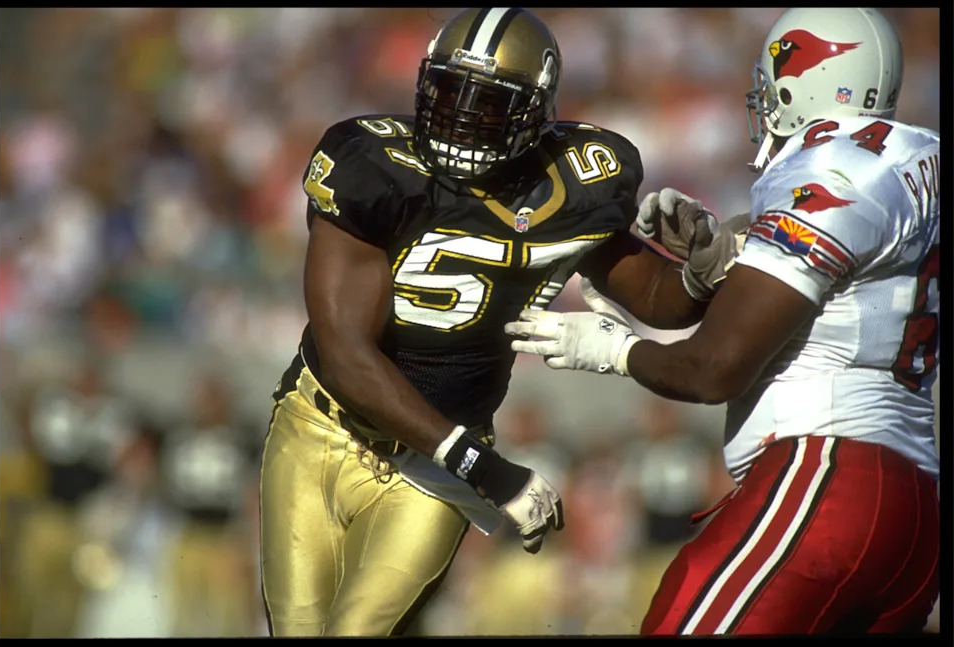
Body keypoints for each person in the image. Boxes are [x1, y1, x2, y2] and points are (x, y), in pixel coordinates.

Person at [259, 7, 744, 637]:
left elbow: (656, 299)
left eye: (486, 104)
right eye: (448, 93)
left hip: (435, 466)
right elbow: (347, 355)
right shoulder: (374, 166)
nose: (460, 116)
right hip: (323, 431)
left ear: (533, 113)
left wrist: (700, 273)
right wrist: (481, 468)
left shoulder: (574, 184)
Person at [506, 7, 939, 635]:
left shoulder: (831, 166)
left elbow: (714, 369)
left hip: (826, 478)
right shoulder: (918, 157)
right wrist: (727, 258)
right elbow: (855, 298)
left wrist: (616, 350)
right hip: (915, 508)